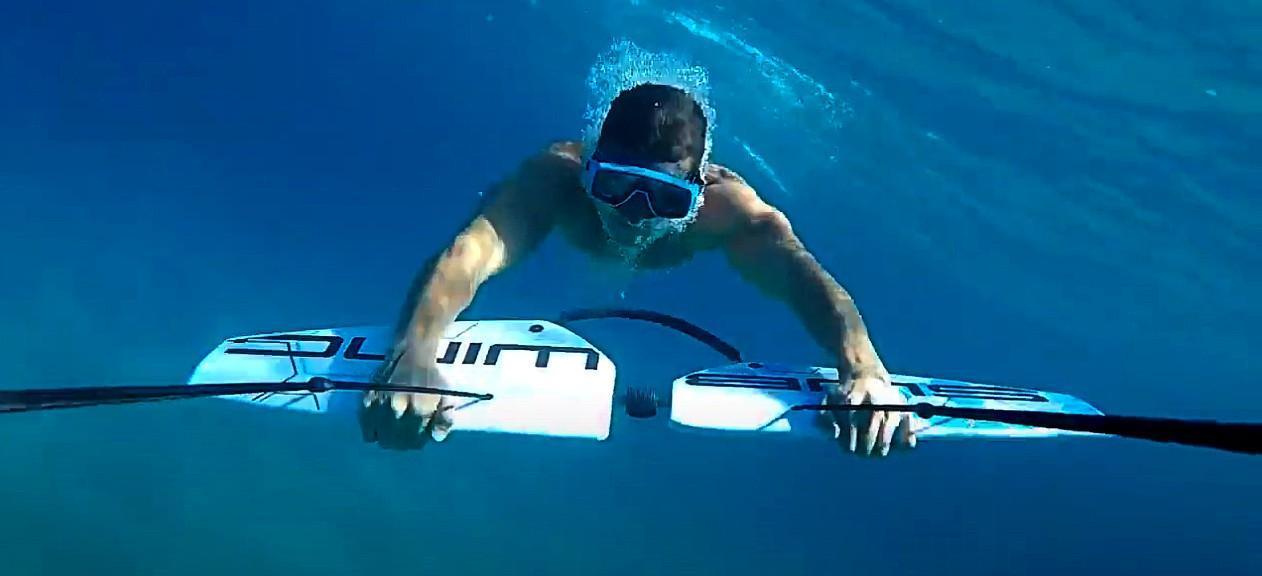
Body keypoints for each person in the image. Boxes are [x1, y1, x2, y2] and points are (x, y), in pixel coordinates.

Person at [359, 82, 916, 457]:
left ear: (699, 193)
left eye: (664, 200)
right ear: (590, 171)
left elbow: (803, 277)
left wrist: (862, 367)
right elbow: (469, 254)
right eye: (616, 187)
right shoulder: (556, 180)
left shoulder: (732, 212)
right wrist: (415, 350)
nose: (633, 215)